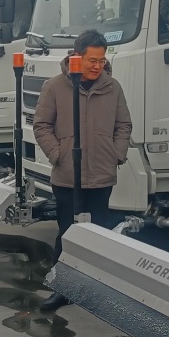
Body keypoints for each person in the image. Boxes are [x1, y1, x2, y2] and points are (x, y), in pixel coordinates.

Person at [32, 29, 132, 313]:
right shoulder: (55, 87)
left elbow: (123, 125)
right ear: (77, 57)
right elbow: (42, 125)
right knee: (67, 233)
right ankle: (61, 289)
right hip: (67, 177)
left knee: (98, 236)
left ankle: (95, 291)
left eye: (101, 60)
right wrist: (58, 155)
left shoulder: (113, 88)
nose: (97, 66)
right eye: (92, 60)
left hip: (101, 175)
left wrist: (116, 154)